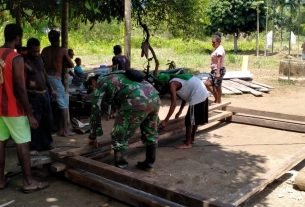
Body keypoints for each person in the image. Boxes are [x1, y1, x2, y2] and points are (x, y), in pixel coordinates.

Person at [0, 23, 49, 192]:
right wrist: (30, 114)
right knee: (22, 144)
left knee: (1, 144)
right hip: (14, 109)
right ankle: (28, 182)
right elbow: (20, 88)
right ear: (18, 38)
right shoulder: (16, 58)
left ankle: (0, 180)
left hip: (0, 109)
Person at [89, 71, 160, 171]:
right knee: (150, 131)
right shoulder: (117, 74)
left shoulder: (101, 81)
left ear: (93, 81)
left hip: (136, 101)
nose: (93, 89)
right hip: (154, 97)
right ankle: (149, 163)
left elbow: (95, 108)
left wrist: (93, 136)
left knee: (119, 134)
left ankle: (121, 168)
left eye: (91, 87)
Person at [157, 73, 209, 149]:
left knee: (188, 121)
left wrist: (166, 120)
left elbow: (173, 104)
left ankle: (188, 143)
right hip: (202, 93)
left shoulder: (172, 84)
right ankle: (192, 139)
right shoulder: (176, 80)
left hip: (198, 94)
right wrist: (180, 111)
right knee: (194, 119)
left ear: (164, 82)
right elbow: (184, 97)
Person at [41, 29, 74, 137]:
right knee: (63, 105)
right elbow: (71, 64)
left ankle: (58, 128)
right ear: (59, 38)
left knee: (53, 104)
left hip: (45, 78)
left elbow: (41, 65)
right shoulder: (62, 50)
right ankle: (65, 130)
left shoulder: (44, 50)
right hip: (55, 78)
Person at [24, 37, 55, 151]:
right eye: (34, 51)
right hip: (33, 95)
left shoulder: (40, 59)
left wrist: (51, 88)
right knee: (36, 121)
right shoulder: (24, 61)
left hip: (45, 93)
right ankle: (35, 145)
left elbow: (44, 74)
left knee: (47, 120)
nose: (36, 53)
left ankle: (47, 143)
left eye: (38, 51)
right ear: (28, 49)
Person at [204, 32, 226, 103]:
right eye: (212, 42)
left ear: (218, 42)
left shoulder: (220, 49)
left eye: (214, 42)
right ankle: (216, 97)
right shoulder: (217, 49)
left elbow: (219, 61)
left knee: (217, 86)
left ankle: (219, 101)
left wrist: (218, 72)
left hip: (218, 70)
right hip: (214, 70)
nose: (212, 44)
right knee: (207, 83)